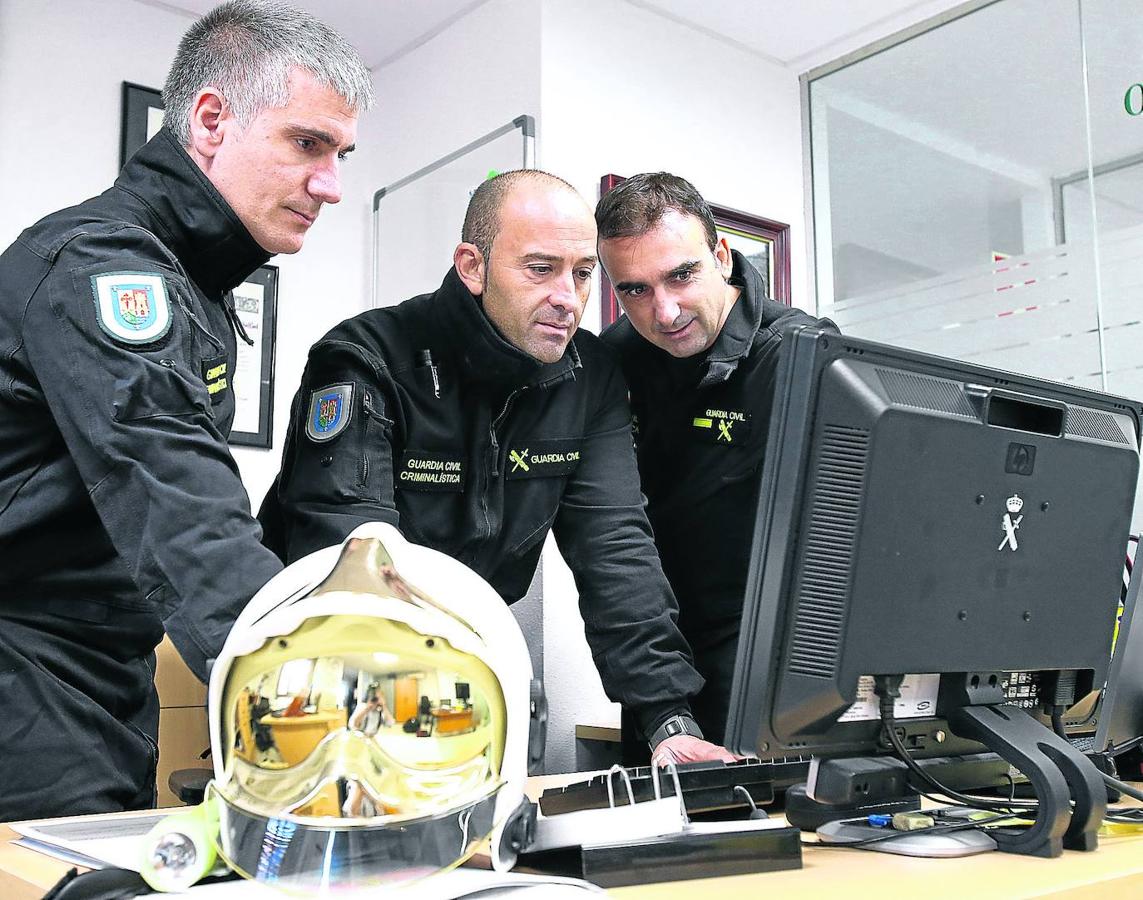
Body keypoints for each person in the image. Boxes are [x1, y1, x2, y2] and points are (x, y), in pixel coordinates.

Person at [0, 0, 372, 819]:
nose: (332, 185)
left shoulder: (194, 284)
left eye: (341, 153)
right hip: (24, 669)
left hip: (105, 670)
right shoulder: (102, 266)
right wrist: (323, 709)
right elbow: (177, 502)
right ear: (209, 121)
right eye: (308, 144)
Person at [259, 170, 734, 766]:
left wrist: (668, 719)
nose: (568, 297)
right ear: (472, 266)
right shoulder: (367, 357)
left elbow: (616, 551)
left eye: (583, 273)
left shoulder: (590, 377)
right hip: (315, 672)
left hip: (461, 663)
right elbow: (351, 561)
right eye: (540, 269)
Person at [597, 172, 835, 749]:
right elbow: (606, 536)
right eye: (635, 290)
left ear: (722, 256)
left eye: (682, 275)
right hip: (659, 659)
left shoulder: (801, 356)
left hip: (778, 660)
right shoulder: (613, 363)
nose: (665, 310)